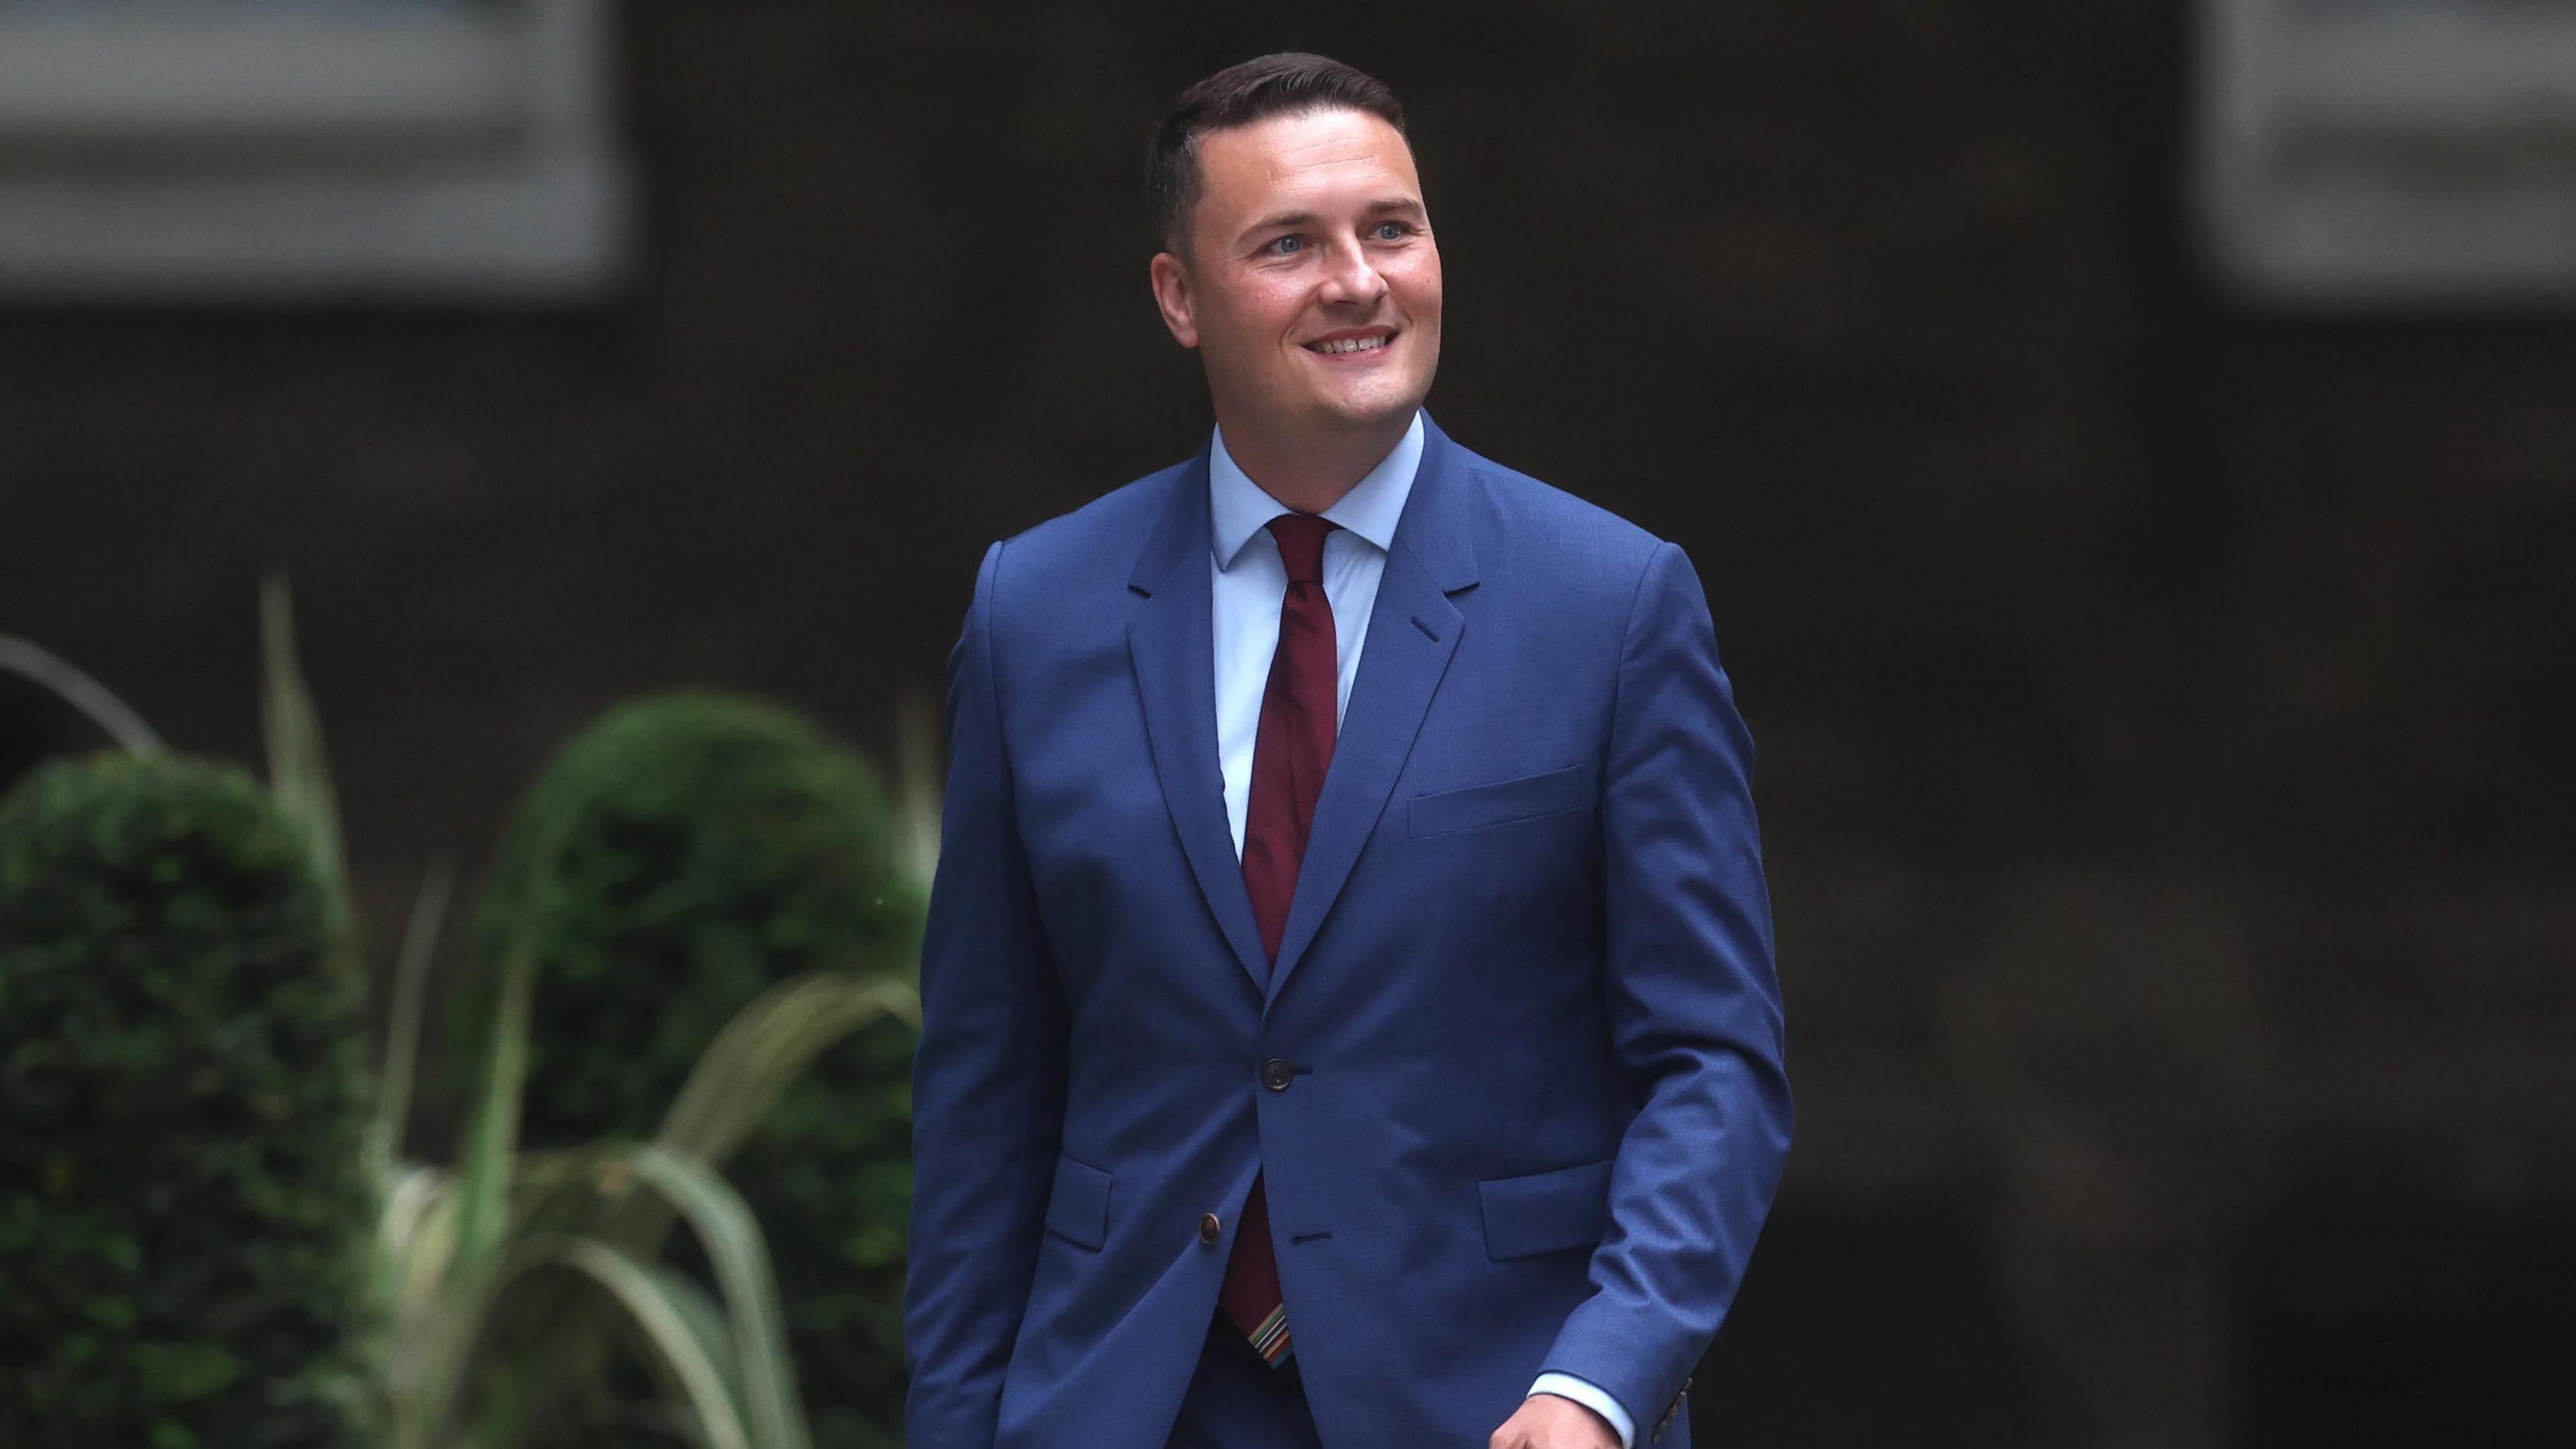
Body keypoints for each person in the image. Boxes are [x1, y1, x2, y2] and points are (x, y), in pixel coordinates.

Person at [905, 52, 1791, 1449]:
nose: (1359, 281)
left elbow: (1716, 1065)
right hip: (1128, 1405)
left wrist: (1601, 1382)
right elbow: (984, 1094)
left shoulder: (1612, 605)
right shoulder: (1037, 612)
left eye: (1392, 229)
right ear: (1179, 298)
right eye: (1288, 245)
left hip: (1497, 1407)